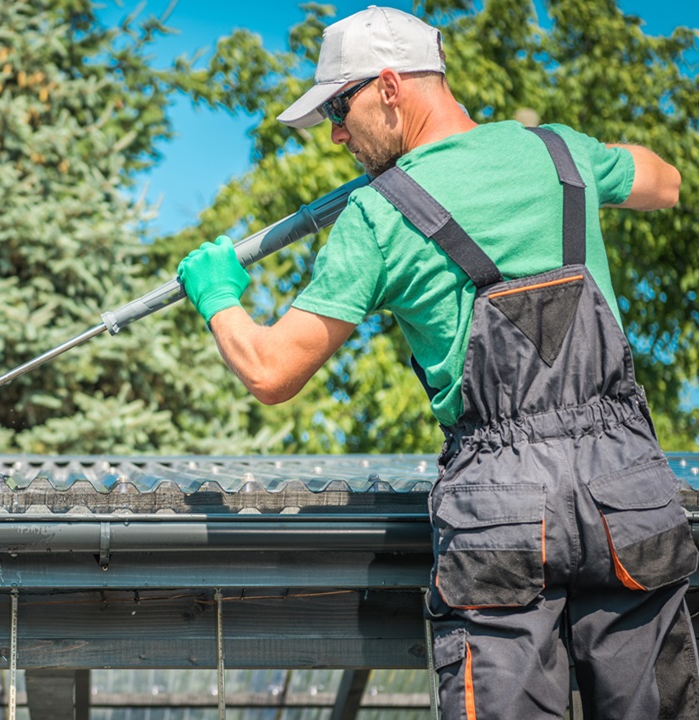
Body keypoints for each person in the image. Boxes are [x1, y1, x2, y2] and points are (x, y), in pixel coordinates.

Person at [175, 6, 696, 719]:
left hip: (502, 510)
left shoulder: (378, 216)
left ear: (390, 86)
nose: (334, 131)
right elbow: (664, 183)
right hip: (626, 489)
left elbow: (270, 371)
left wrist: (218, 298)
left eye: (338, 105)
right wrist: (568, 152)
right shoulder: (559, 153)